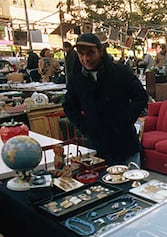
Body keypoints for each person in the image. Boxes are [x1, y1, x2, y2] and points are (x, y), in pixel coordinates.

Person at [63, 33, 148, 166]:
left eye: (90, 53)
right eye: (81, 54)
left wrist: (126, 119)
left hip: (125, 144)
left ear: (101, 51)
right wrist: (85, 127)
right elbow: (69, 106)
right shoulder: (76, 78)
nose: (86, 59)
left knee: (131, 184)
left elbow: (141, 97)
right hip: (96, 147)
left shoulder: (120, 72)